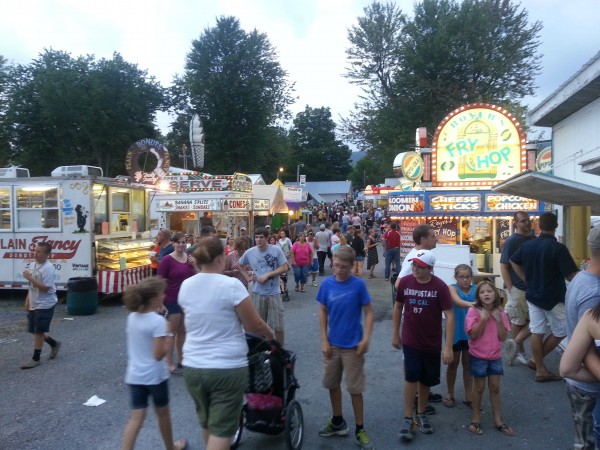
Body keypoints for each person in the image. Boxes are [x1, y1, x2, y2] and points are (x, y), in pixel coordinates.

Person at [179, 237, 275, 450]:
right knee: (222, 430)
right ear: (222, 258)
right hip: (225, 367)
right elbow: (254, 325)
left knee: (208, 421)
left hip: (193, 365)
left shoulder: (186, 286)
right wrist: (270, 335)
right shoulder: (231, 285)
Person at [316, 247, 375, 450]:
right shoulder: (327, 284)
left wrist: (366, 338)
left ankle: (360, 429)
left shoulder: (358, 285)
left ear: (351, 266)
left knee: (354, 388)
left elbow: (369, 313)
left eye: (343, 266)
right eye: (336, 265)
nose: (339, 269)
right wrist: (324, 339)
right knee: (332, 384)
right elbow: (322, 311)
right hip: (333, 344)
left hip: (353, 346)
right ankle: (338, 421)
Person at [392, 250, 454, 441]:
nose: (416, 269)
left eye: (420, 267)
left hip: (431, 341)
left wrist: (448, 346)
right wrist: (395, 333)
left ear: (430, 269)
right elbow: (398, 306)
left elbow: (449, 315)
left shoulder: (440, 287)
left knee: (426, 380)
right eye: (414, 265)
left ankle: (421, 413)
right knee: (411, 376)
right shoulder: (406, 282)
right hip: (411, 339)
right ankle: (407, 416)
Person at [510, 212, 579, 381]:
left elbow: (513, 260)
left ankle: (539, 366)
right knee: (562, 330)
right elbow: (571, 275)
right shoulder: (558, 248)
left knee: (537, 330)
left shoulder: (528, 245)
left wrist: (525, 278)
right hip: (554, 296)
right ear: (555, 226)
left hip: (533, 294)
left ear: (539, 226)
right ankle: (537, 363)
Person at [121, 277, 188, 450]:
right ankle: (170, 447)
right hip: (155, 377)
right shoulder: (158, 322)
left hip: (135, 375)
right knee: (163, 413)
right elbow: (158, 355)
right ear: (153, 298)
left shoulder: (132, 317)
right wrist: (169, 337)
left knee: (136, 418)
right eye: (161, 294)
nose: (164, 296)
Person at [563, 225, 600, 449]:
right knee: (589, 441)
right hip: (589, 385)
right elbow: (587, 351)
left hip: (580, 381)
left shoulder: (581, 278)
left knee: (585, 439)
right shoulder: (595, 291)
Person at [465, 281, 515, 436]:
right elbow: (473, 334)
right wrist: (484, 319)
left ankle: (498, 420)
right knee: (479, 388)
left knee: (495, 387)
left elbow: (502, 337)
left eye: (489, 291)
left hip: (495, 356)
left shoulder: (501, 313)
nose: (486, 294)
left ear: (496, 294)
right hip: (478, 355)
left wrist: (499, 319)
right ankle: (475, 418)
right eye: (482, 292)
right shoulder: (473, 311)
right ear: (478, 296)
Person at [238, 227, 289, 345]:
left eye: (261, 237)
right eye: (256, 237)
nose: (258, 240)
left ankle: (280, 351)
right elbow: (239, 265)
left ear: (267, 238)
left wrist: (268, 275)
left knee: (278, 325)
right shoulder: (250, 252)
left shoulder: (276, 250)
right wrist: (247, 277)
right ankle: (262, 349)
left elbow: (285, 267)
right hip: (257, 293)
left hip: (274, 292)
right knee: (258, 325)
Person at [158, 232, 198, 374]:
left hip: (186, 301)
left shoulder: (190, 259)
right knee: (171, 333)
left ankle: (182, 359)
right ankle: (169, 362)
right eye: (178, 242)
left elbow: (198, 277)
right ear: (173, 243)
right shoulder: (167, 260)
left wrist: (195, 266)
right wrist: (160, 302)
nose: (181, 245)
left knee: (183, 332)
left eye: (183, 242)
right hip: (171, 300)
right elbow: (160, 281)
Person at [500, 211, 534, 366]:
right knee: (518, 321)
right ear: (516, 224)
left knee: (534, 320)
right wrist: (511, 288)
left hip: (533, 287)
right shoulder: (512, 241)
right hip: (518, 289)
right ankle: (519, 351)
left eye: (528, 220)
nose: (527, 223)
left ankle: (514, 344)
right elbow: (504, 265)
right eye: (523, 221)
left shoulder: (533, 239)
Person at [20, 242, 61, 369]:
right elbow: (32, 286)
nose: (36, 254)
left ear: (47, 254)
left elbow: (45, 288)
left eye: (39, 252)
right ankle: (54, 343)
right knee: (34, 330)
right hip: (34, 301)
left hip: (45, 303)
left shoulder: (48, 268)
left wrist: (29, 278)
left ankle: (35, 358)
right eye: (35, 250)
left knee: (39, 331)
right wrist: (27, 299)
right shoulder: (33, 264)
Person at [444, 264, 475, 408]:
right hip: (455, 333)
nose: (465, 280)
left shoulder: (477, 289)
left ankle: (469, 394)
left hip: (471, 335)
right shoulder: (451, 288)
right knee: (453, 364)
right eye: (461, 277)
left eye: (467, 277)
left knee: (468, 365)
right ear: (455, 277)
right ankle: (450, 393)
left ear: (471, 277)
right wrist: (475, 304)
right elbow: (457, 301)